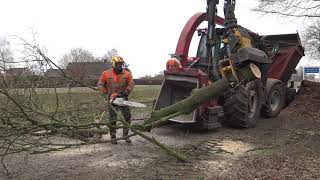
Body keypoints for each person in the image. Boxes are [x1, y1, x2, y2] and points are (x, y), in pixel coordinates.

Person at [97, 55, 134, 144]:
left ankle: (126, 136)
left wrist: (127, 91)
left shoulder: (127, 73)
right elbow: (100, 84)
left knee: (127, 116)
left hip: (123, 98)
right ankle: (113, 136)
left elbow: (131, 84)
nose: (119, 66)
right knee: (112, 118)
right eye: (117, 64)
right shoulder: (106, 73)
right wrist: (106, 93)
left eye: (121, 64)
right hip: (112, 99)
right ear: (113, 64)